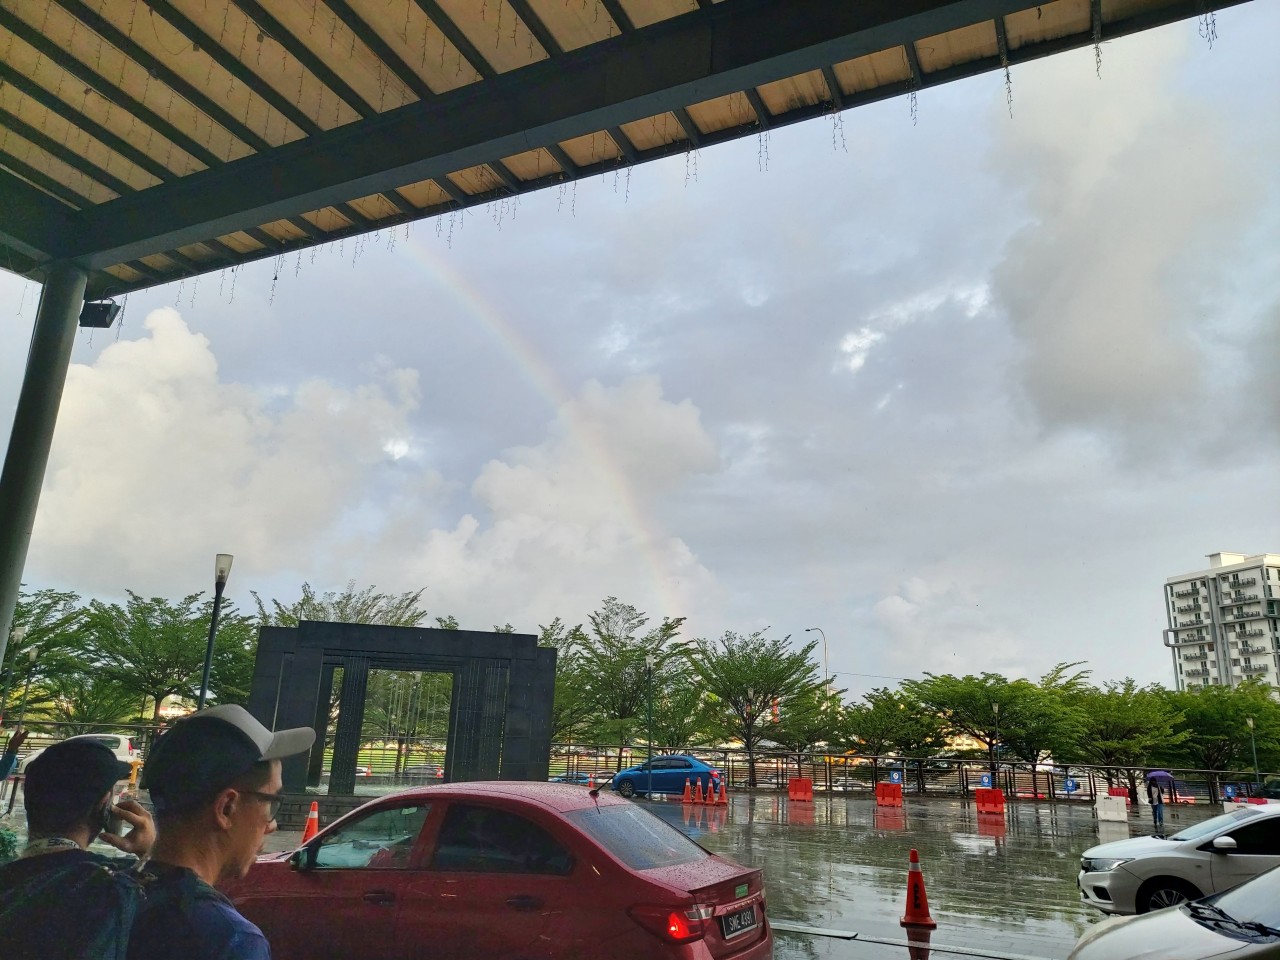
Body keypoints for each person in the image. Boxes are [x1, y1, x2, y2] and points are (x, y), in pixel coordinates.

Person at [128, 704, 315, 960]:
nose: (272, 825)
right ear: (226, 808)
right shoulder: (231, 940)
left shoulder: (108, 895)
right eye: (270, 802)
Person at [0, 735, 156, 958]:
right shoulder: (118, 887)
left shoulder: (10, 878)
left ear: (27, 800)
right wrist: (150, 853)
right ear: (105, 806)